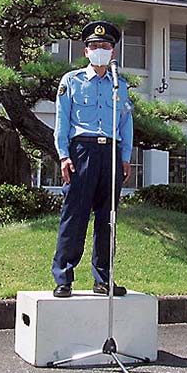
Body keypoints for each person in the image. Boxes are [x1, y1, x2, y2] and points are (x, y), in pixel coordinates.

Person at [51, 21, 134, 298]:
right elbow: (62, 121)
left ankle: (103, 279)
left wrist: (124, 157)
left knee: (107, 218)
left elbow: (126, 123)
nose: (100, 50)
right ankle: (63, 277)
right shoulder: (71, 81)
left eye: (106, 46)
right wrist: (63, 156)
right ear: (86, 51)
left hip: (110, 152)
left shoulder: (119, 85)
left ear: (113, 52)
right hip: (81, 151)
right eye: (95, 46)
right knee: (74, 215)